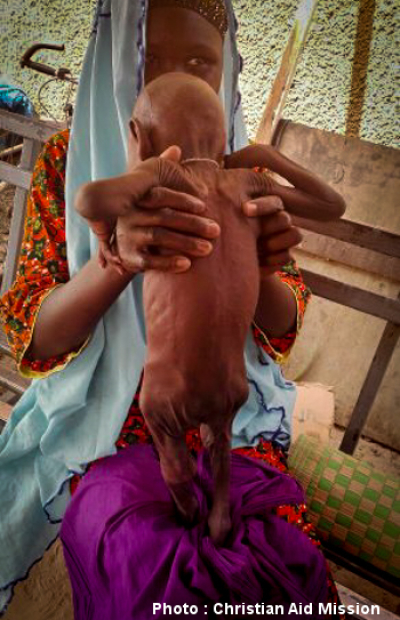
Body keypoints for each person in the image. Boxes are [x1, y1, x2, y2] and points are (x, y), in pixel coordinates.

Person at [0, 0, 346, 618]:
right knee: (147, 567)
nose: (169, 77)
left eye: (198, 61)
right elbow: (35, 335)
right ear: (111, 63)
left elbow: (283, 324)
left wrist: (261, 264)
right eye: (148, 58)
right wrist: (113, 260)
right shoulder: (68, 166)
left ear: (225, 73)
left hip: (227, 407)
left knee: (278, 558)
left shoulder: (242, 175)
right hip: (105, 418)